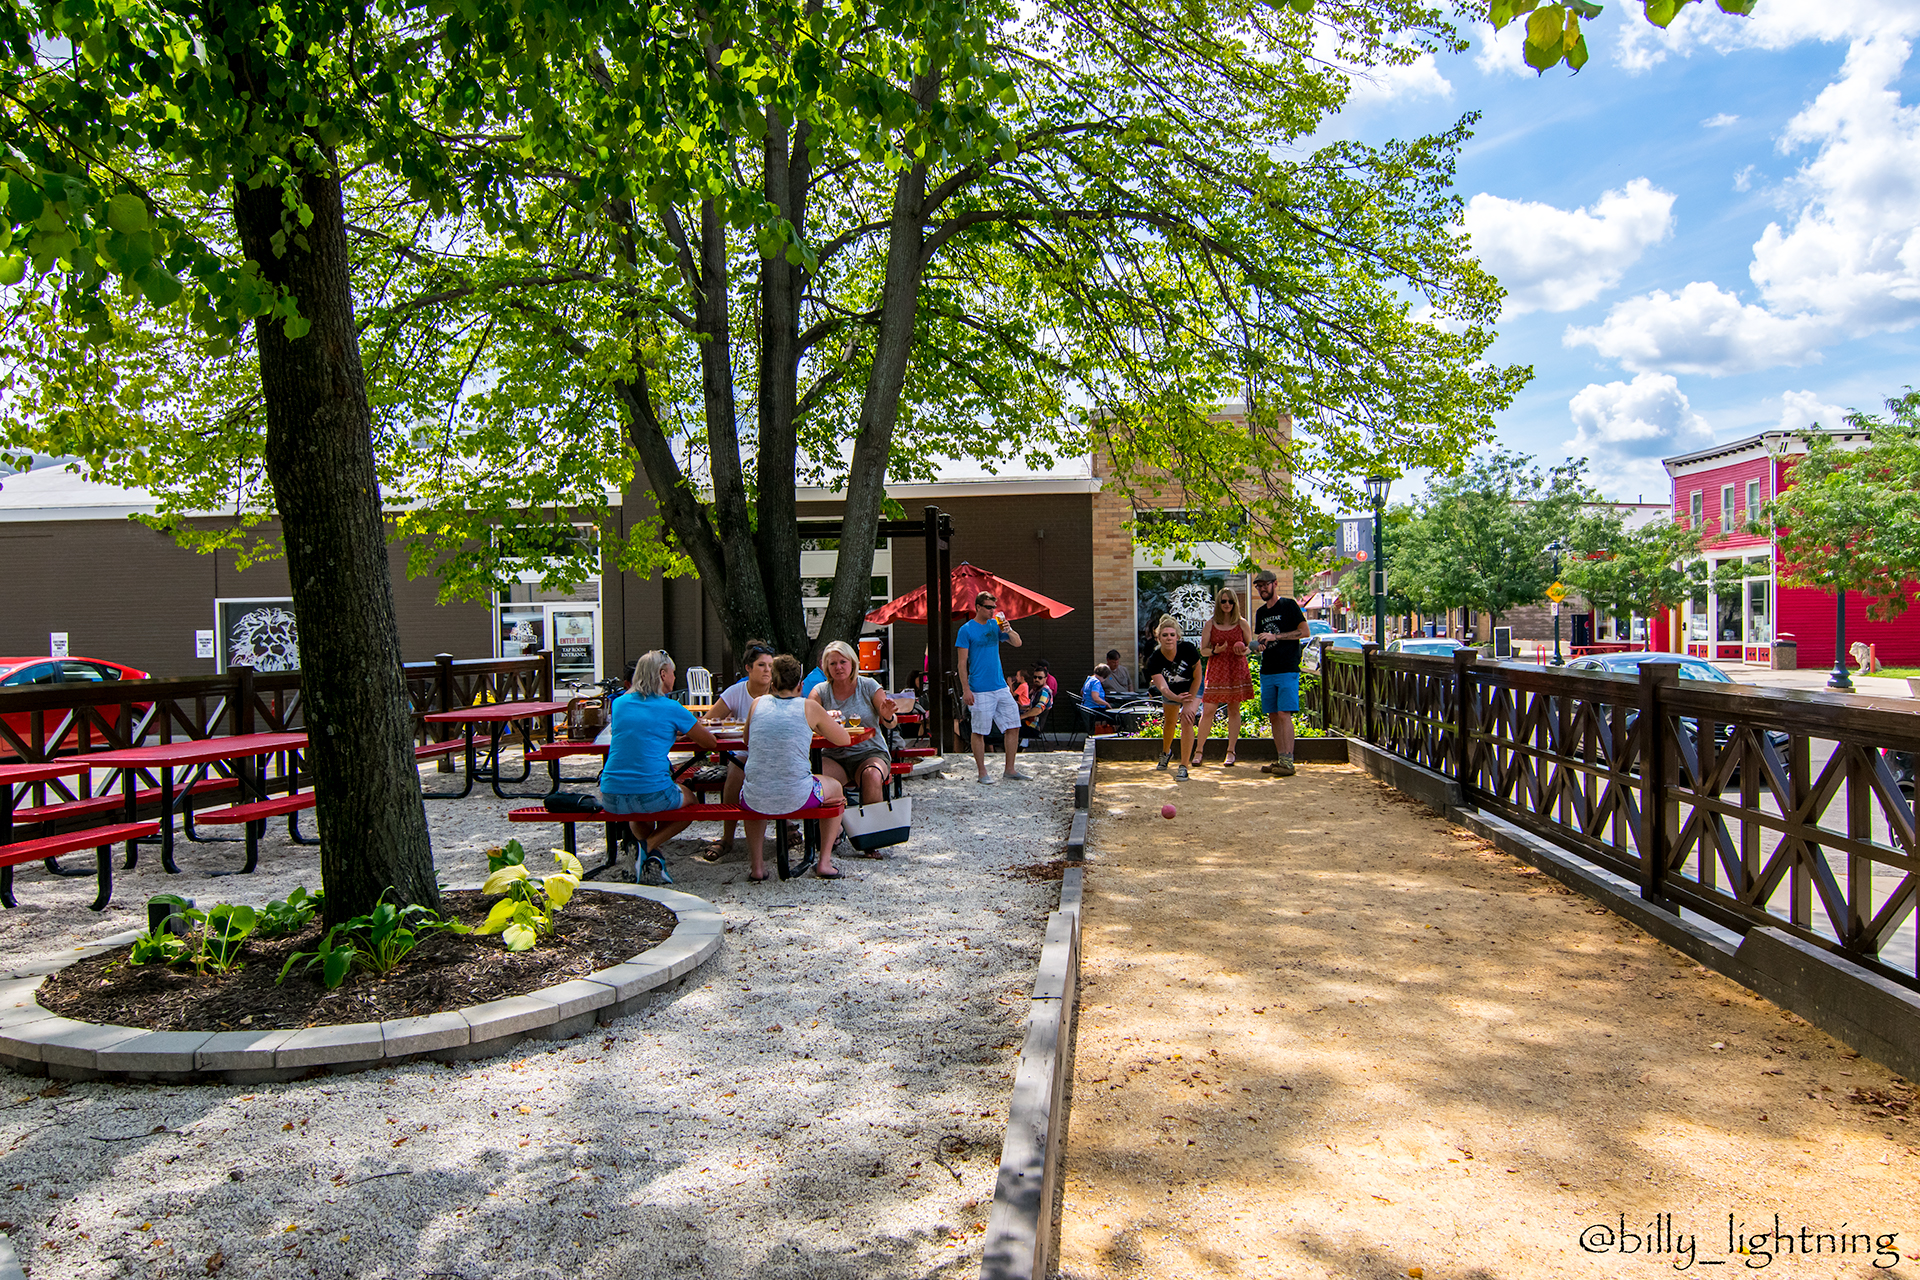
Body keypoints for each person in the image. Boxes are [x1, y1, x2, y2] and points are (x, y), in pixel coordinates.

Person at [598, 650, 720, 885]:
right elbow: (710, 743)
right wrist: (682, 731)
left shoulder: (620, 704)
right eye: (673, 673)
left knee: (638, 808)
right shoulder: (671, 708)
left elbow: (641, 731)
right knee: (691, 803)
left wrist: (669, 732)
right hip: (652, 792)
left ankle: (653, 861)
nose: (675, 678)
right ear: (663, 674)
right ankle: (646, 847)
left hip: (611, 794)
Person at [740, 654, 853, 881]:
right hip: (798, 795)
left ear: (772, 683)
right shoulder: (809, 707)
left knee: (756, 794)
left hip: (754, 796)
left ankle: (757, 867)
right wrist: (816, 727)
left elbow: (746, 739)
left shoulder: (756, 704)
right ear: (801, 685)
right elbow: (843, 739)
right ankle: (824, 862)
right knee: (836, 789)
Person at [811, 639, 898, 860]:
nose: (838, 667)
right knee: (819, 779)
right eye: (832, 664)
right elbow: (806, 722)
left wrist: (888, 714)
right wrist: (820, 720)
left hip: (870, 752)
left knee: (871, 775)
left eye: (843, 662)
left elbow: (890, 721)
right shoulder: (820, 691)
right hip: (834, 754)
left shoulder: (868, 686)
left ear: (852, 663)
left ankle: (871, 840)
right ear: (826, 667)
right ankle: (832, 832)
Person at [697, 640, 775, 863]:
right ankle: (727, 836)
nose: (767, 670)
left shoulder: (779, 691)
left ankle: (786, 825)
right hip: (741, 752)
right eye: (761, 665)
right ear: (748, 669)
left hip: (772, 753)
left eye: (770, 665)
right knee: (736, 773)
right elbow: (708, 722)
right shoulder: (736, 692)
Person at [956, 590, 1026, 783]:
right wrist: (966, 690)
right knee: (979, 731)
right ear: (978, 607)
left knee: (1014, 725)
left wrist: (1009, 629)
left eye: (994, 607)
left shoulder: (996, 625)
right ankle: (982, 773)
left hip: (1000, 686)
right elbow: (961, 663)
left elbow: (1018, 643)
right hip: (979, 688)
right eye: (988, 607)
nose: (992, 611)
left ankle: (1010, 769)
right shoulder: (966, 629)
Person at [1252, 568, 1311, 777]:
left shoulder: (1288, 605)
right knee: (1273, 716)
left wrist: (1276, 637)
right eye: (1258, 586)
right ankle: (1281, 759)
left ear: (1274, 584)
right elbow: (1263, 639)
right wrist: (1258, 645)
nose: (1261, 589)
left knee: (1285, 713)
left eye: (1264, 585)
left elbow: (1304, 632)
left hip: (1287, 668)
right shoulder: (1261, 613)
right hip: (1268, 669)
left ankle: (1289, 760)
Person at [1195, 586, 1255, 767]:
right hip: (1217, 669)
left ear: (1235, 603)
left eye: (1230, 601)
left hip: (1236, 668)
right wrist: (1215, 650)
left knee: (1233, 710)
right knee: (1209, 710)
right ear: (1218, 603)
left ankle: (1231, 751)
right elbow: (1203, 651)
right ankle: (1199, 750)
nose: (1227, 604)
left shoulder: (1242, 623)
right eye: (1223, 601)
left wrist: (1244, 650)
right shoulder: (1210, 624)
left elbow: (1250, 646)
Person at [1143, 615, 1203, 779]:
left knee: (1187, 718)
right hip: (1172, 691)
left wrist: (1189, 699)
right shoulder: (1154, 660)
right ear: (1158, 637)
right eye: (1164, 635)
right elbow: (1162, 687)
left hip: (1193, 687)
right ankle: (1166, 752)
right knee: (1170, 722)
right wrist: (1177, 698)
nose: (1168, 638)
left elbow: (1198, 676)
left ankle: (1183, 766)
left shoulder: (1188, 649)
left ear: (1178, 636)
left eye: (1171, 634)